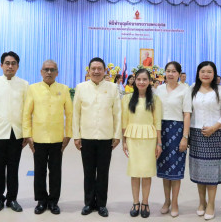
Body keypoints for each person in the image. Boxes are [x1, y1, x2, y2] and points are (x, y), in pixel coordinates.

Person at [72, 57, 122, 217]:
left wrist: (116, 135)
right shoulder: (81, 87)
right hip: (86, 137)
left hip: (106, 137)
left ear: (105, 71)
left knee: (103, 172)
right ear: (88, 70)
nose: (96, 71)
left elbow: (117, 113)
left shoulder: (113, 88)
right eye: (93, 68)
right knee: (88, 172)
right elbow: (76, 114)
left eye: (99, 68)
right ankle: (88, 203)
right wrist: (76, 135)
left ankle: (101, 204)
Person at [23, 60, 72, 215]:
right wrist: (28, 135)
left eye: (52, 70)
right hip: (38, 138)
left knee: (56, 171)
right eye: (46, 69)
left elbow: (69, 114)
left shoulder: (64, 89)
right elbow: (26, 113)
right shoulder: (33, 89)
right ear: (41, 71)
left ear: (57, 72)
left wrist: (68, 134)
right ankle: (41, 201)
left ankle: (53, 201)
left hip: (58, 138)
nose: (49, 72)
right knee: (39, 171)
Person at [0, 51, 29, 214]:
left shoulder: (24, 84)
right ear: (1, 65)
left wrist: (26, 133)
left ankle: (12, 199)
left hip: (16, 134)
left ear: (17, 66)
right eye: (7, 63)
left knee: (13, 168)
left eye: (13, 63)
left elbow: (26, 111)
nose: (10, 66)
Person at [186, 61, 221, 220]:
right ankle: (201, 202)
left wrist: (214, 127)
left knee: (212, 172)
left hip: (215, 134)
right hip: (196, 134)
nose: (206, 74)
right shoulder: (192, 89)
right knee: (199, 169)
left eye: (209, 72)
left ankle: (211, 204)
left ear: (214, 74)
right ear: (198, 73)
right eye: (203, 71)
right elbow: (187, 112)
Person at [122, 69, 162, 218]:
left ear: (149, 81)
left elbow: (157, 122)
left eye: (144, 79)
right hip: (132, 137)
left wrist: (159, 143)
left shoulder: (155, 100)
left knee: (146, 173)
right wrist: (124, 141)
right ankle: (135, 202)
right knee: (135, 172)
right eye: (138, 79)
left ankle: (145, 202)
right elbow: (124, 121)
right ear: (134, 80)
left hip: (149, 138)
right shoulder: (127, 99)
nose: (141, 82)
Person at [155, 61, 191, 218]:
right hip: (161, 131)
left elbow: (187, 114)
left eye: (174, 71)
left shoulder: (185, 89)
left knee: (175, 169)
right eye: (168, 71)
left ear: (179, 73)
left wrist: (185, 137)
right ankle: (166, 201)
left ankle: (175, 202)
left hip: (177, 131)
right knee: (164, 169)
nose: (170, 74)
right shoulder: (159, 89)